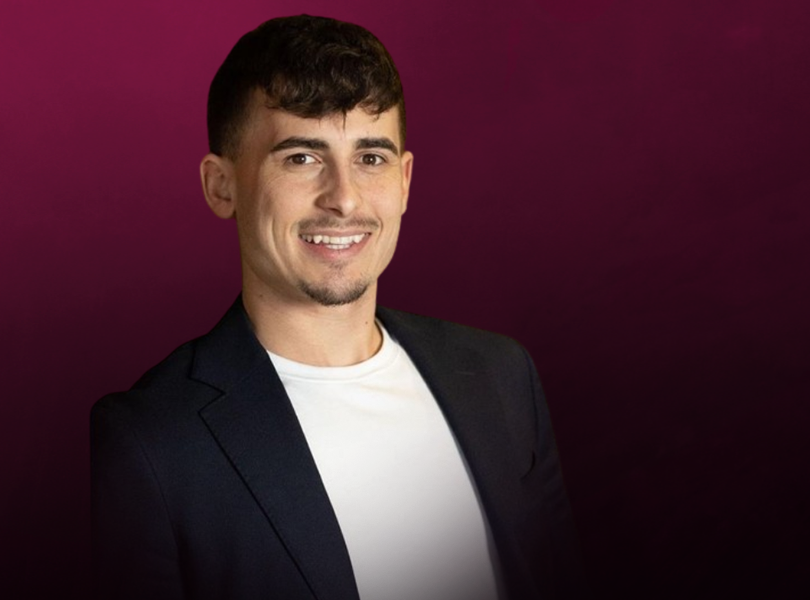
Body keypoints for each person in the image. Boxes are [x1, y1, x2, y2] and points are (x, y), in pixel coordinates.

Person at [91, 14, 583, 600]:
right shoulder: (154, 442)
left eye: (371, 158)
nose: (344, 199)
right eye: (301, 157)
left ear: (405, 180)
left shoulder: (502, 377)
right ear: (221, 185)